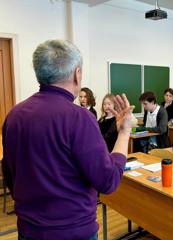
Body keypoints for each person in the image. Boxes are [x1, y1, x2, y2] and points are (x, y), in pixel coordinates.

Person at [2, 39, 133, 240]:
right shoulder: (79, 117)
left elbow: (10, 173)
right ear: (77, 73)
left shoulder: (14, 115)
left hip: (29, 229)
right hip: (73, 231)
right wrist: (124, 132)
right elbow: (107, 181)